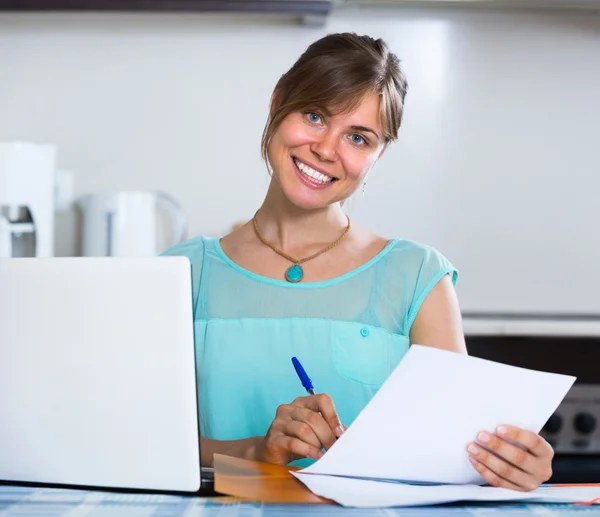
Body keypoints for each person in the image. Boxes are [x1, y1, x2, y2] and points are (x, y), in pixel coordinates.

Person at [162, 32, 553, 492]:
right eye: (314, 115)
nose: (327, 149)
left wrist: (507, 463)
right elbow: (146, 441)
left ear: (379, 152)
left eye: (358, 137)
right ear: (277, 102)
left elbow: (453, 452)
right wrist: (257, 451)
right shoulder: (179, 273)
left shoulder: (417, 277)